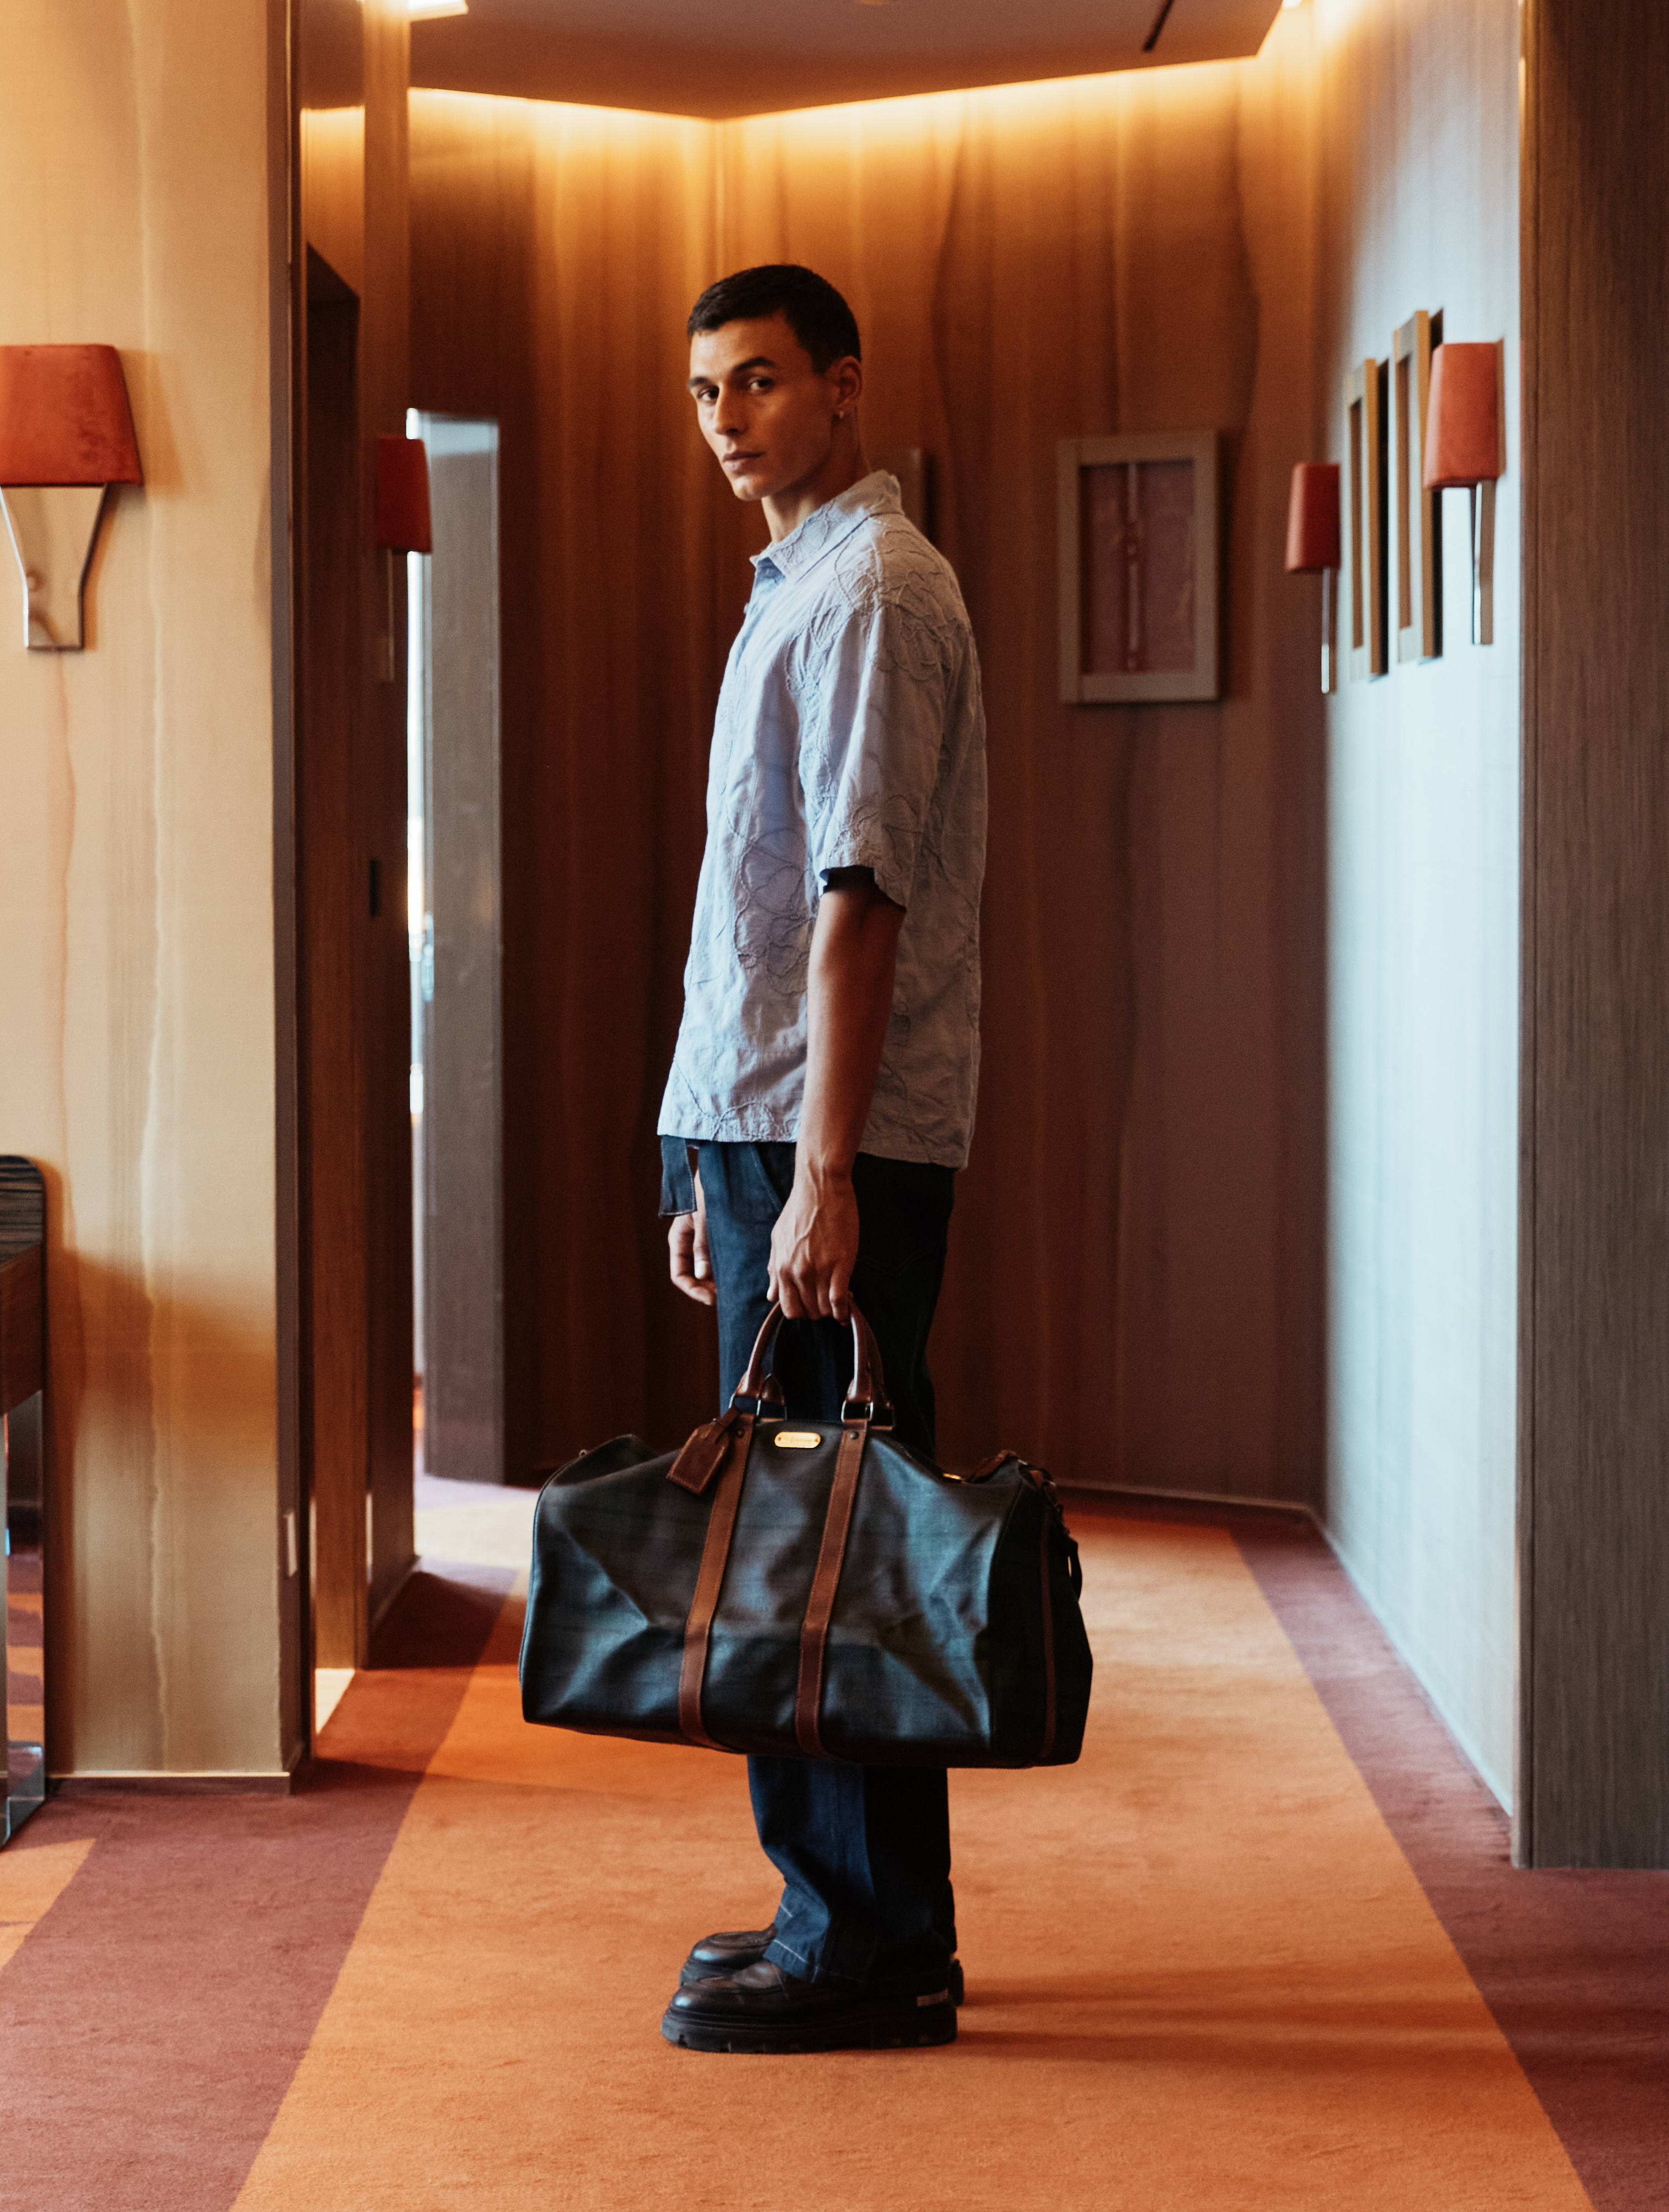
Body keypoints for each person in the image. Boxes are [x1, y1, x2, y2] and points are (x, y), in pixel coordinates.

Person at [654, 263, 988, 2054]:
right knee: (793, 1529)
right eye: (706, 388)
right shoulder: (790, 587)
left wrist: (822, 1172)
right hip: (761, 1122)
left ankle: (866, 1943)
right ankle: (839, 1908)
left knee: (825, 1534)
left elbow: (861, 902)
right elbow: (751, 909)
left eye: (762, 380)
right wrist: (692, 1150)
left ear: (842, 386)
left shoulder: (869, 590)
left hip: (823, 1134)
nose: (727, 417)